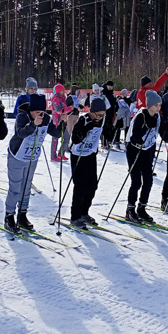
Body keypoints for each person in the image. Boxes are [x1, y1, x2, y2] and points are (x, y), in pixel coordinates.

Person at [5, 94, 50, 233]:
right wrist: (33, 124)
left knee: (26, 187)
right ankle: (9, 216)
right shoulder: (22, 116)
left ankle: (22, 214)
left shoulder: (45, 118)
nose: (40, 115)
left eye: (42, 112)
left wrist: (62, 123)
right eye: (37, 112)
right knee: (15, 188)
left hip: (31, 157)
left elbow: (56, 132)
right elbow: (20, 133)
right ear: (31, 110)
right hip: (17, 155)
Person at [68, 98, 109, 228]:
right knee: (80, 186)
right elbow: (75, 139)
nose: (100, 117)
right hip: (78, 155)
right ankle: (75, 216)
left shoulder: (101, 120)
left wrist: (113, 128)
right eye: (98, 114)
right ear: (92, 111)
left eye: (102, 115)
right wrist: (86, 129)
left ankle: (84, 212)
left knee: (92, 185)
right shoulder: (83, 120)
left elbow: (108, 132)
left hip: (90, 155)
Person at [125, 90, 162, 222]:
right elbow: (135, 137)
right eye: (156, 105)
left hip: (147, 150)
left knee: (148, 181)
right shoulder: (141, 116)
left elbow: (158, 133)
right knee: (136, 181)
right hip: (134, 150)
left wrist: (166, 130)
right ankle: (130, 210)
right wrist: (146, 127)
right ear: (149, 105)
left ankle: (142, 208)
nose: (158, 108)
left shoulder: (157, 117)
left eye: (160, 105)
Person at [50, 82, 70, 161]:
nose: (63, 91)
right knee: (55, 138)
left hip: (63, 120)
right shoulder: (56, 98)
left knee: (66, 137)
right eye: (62, 90)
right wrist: (70, 109)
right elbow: (59, 110)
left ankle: (61, 153)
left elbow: (65, 108)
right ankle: (53, 155)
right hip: (57, 121)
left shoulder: (63, 97)